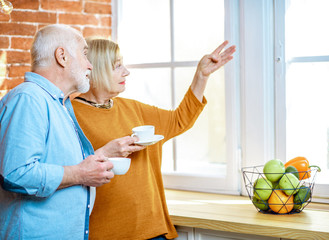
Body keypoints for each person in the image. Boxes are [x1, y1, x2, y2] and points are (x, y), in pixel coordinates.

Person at [72, 38, 236, 240]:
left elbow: (178, 120)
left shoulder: (132, 108)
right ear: (96, 70)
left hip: (152, 230)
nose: (126, 71)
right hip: (105, 233)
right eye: (117, 66)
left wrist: (201, 76)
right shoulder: (70, 114)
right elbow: (68, 172)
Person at [0, 24, 143, 240]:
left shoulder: (60, 104)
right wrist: (80, 174)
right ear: (62, 57)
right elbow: (16, 173)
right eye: (85, 55)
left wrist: (101, 155)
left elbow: (61, 163)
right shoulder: (28, 99)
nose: (90, 65)